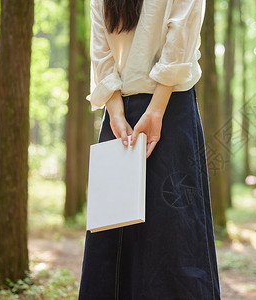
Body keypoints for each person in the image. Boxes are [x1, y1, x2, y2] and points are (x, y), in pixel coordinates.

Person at [78, 0, 221, 299]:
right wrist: (155, 111)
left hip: (121, 117)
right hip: (170, 111)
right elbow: (180, 38)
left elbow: (101, 54)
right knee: (174, 234)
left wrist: (116, 113)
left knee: (116, 237)